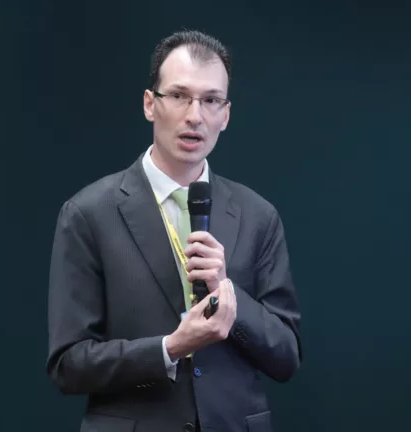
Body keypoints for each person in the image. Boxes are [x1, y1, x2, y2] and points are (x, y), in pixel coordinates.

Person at [46, 29, 302, 432]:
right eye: (179, 96)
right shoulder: (88, 213)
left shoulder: (258, 216)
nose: (194, 116)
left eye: (211, 100)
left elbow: (286, 357)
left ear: (226, 115)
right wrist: (170, 348)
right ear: (150, 104)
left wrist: (226, 291)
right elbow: (69, 365)